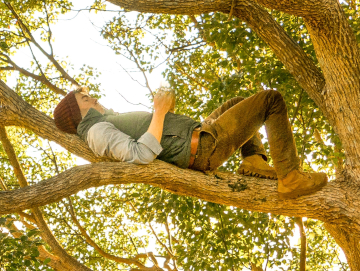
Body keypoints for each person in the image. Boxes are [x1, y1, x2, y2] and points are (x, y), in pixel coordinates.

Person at [53, 87, 327, 199]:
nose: (93, 98)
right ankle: (290, 177)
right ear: (77, 113)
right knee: (270, 100)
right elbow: (140, 154)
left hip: (200, 135)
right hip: (202, 148)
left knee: (236, 104)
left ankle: (254, 160)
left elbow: (154, 135)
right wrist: (159, 112)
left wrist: (165, 111)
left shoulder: (105, 122)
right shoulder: (96, 132)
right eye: (85, 99)